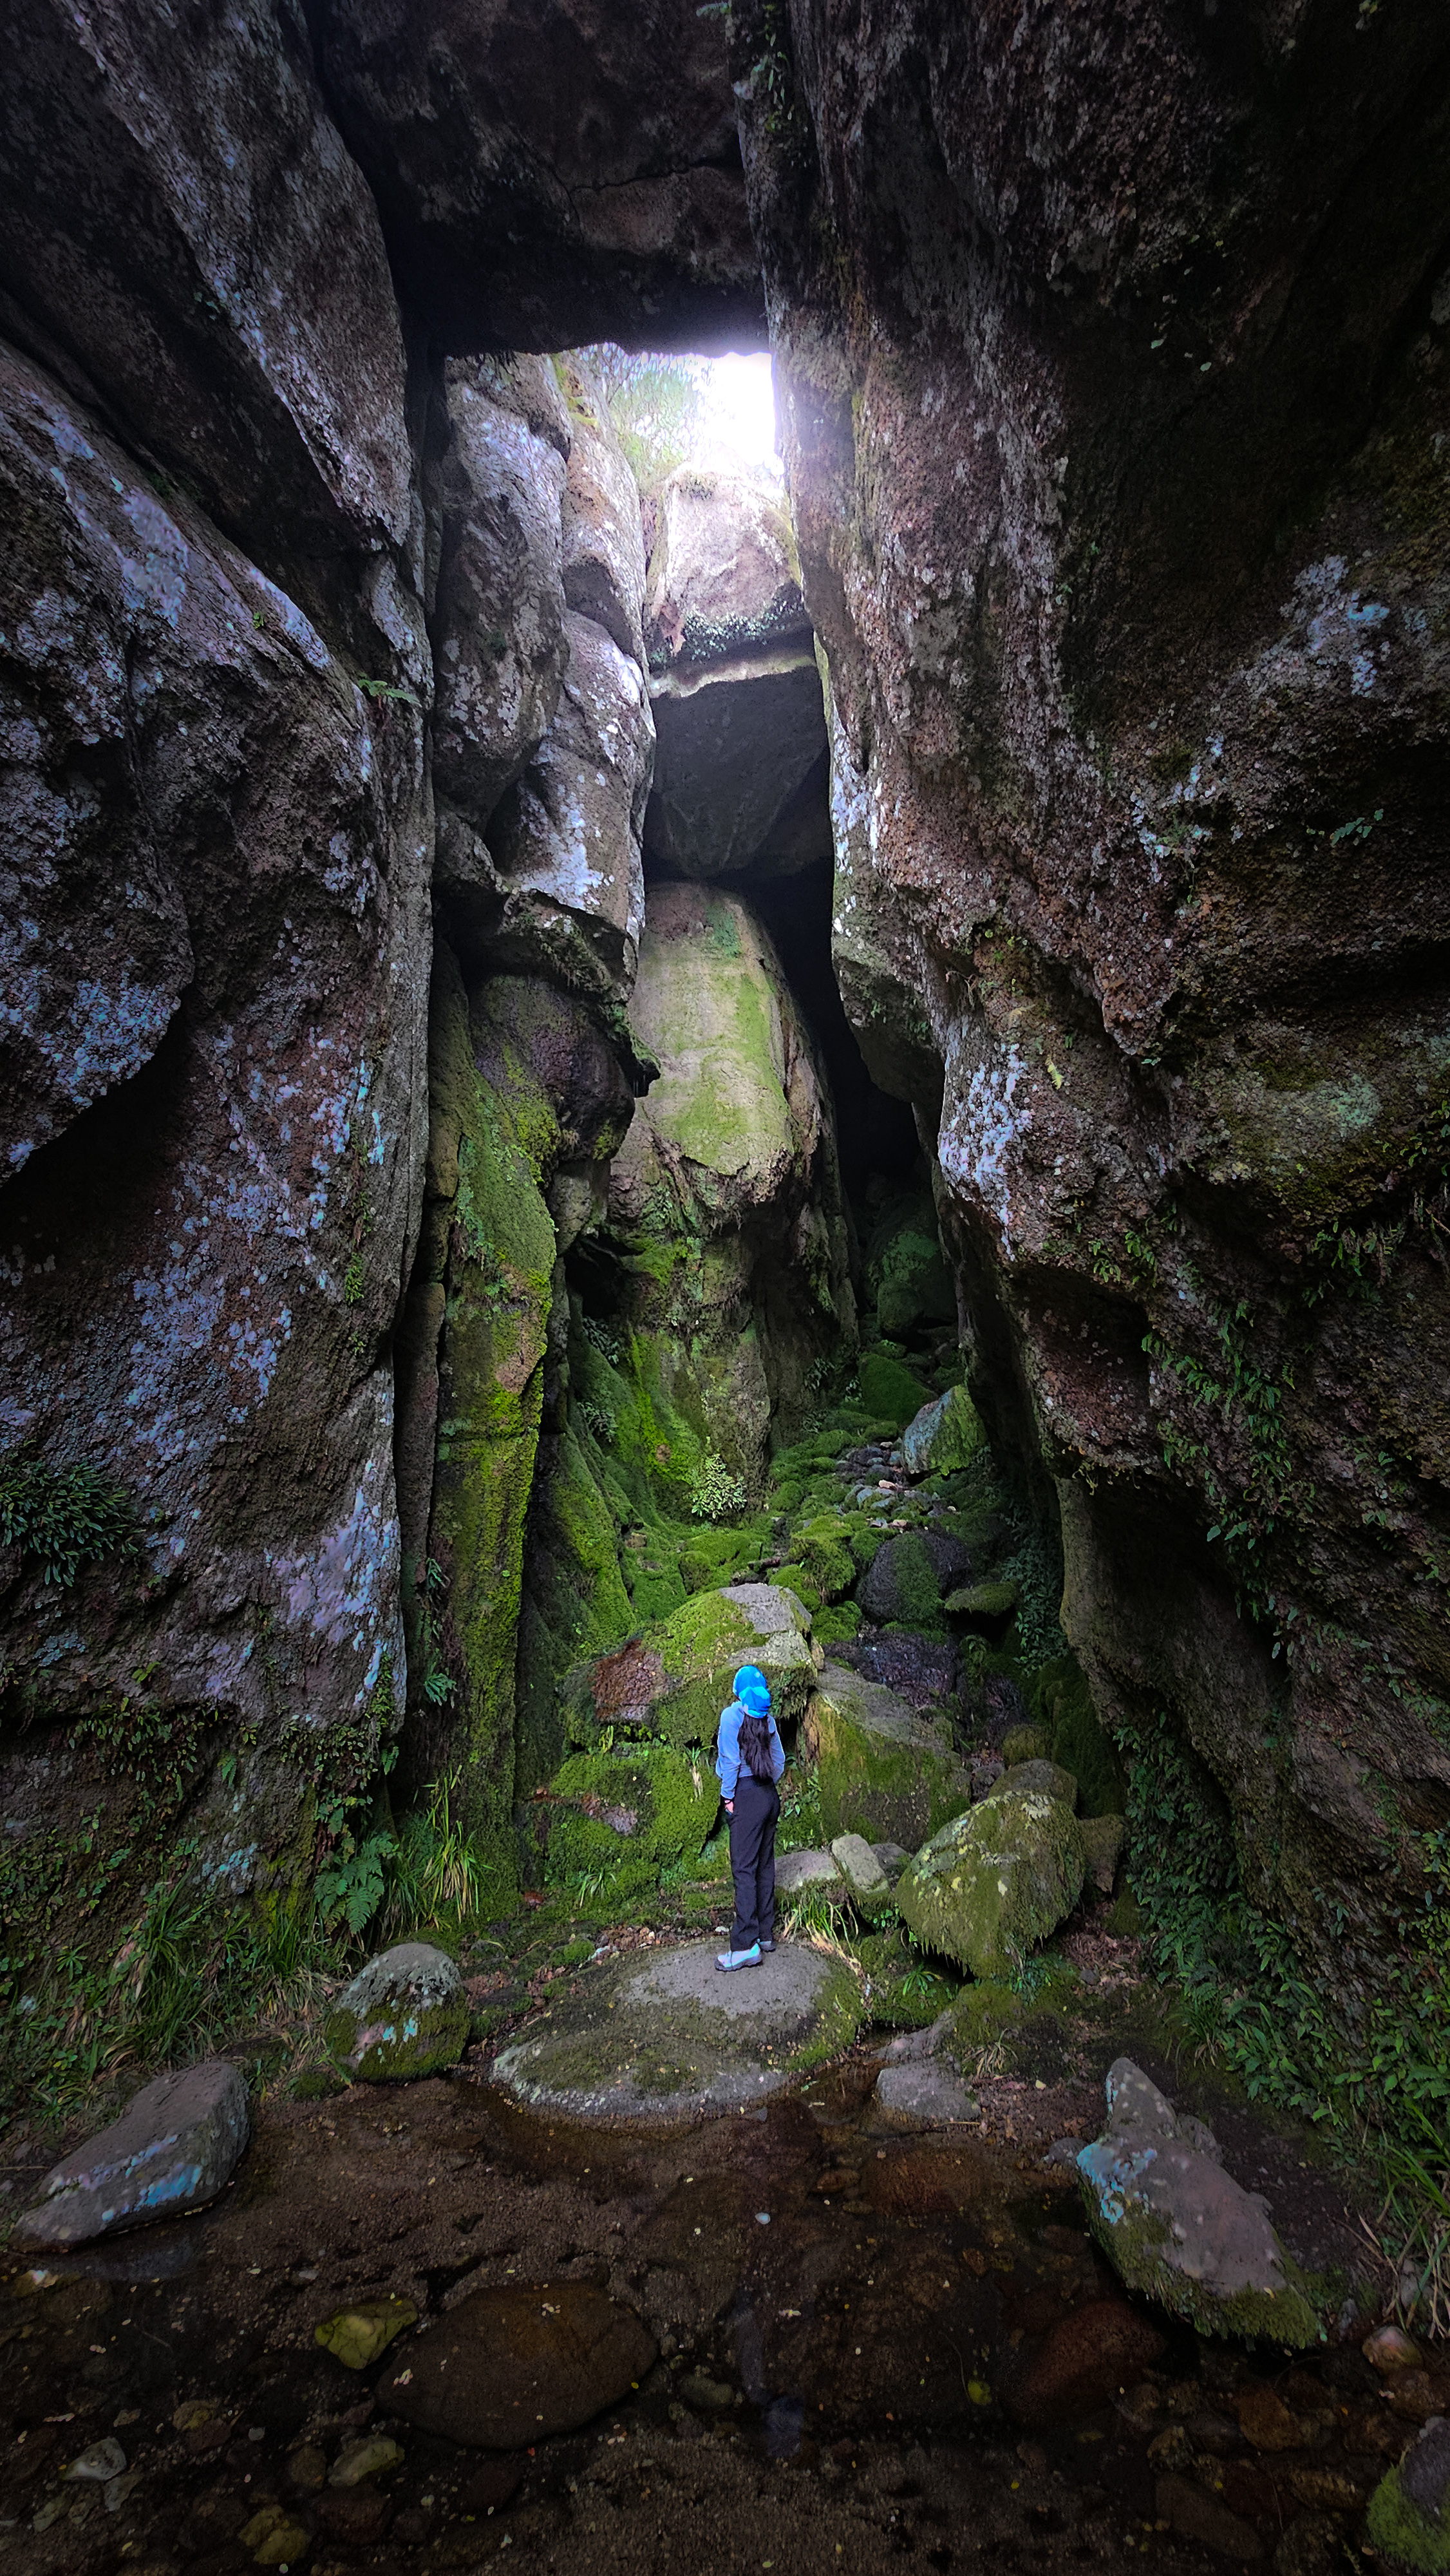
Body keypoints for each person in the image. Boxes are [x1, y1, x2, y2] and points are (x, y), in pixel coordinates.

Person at [715, 1662, 786, 1971]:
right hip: (769, 1796)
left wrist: (728, 1797)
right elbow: (779, 1761)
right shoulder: (767, 1719)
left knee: (744, 1870)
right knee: (764, 1865)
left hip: (745, 1796)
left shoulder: (731, 1716)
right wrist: (767, 1786)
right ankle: (765, 1934)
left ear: (737, 1691)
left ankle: (745, 1946)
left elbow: (730, 1761)